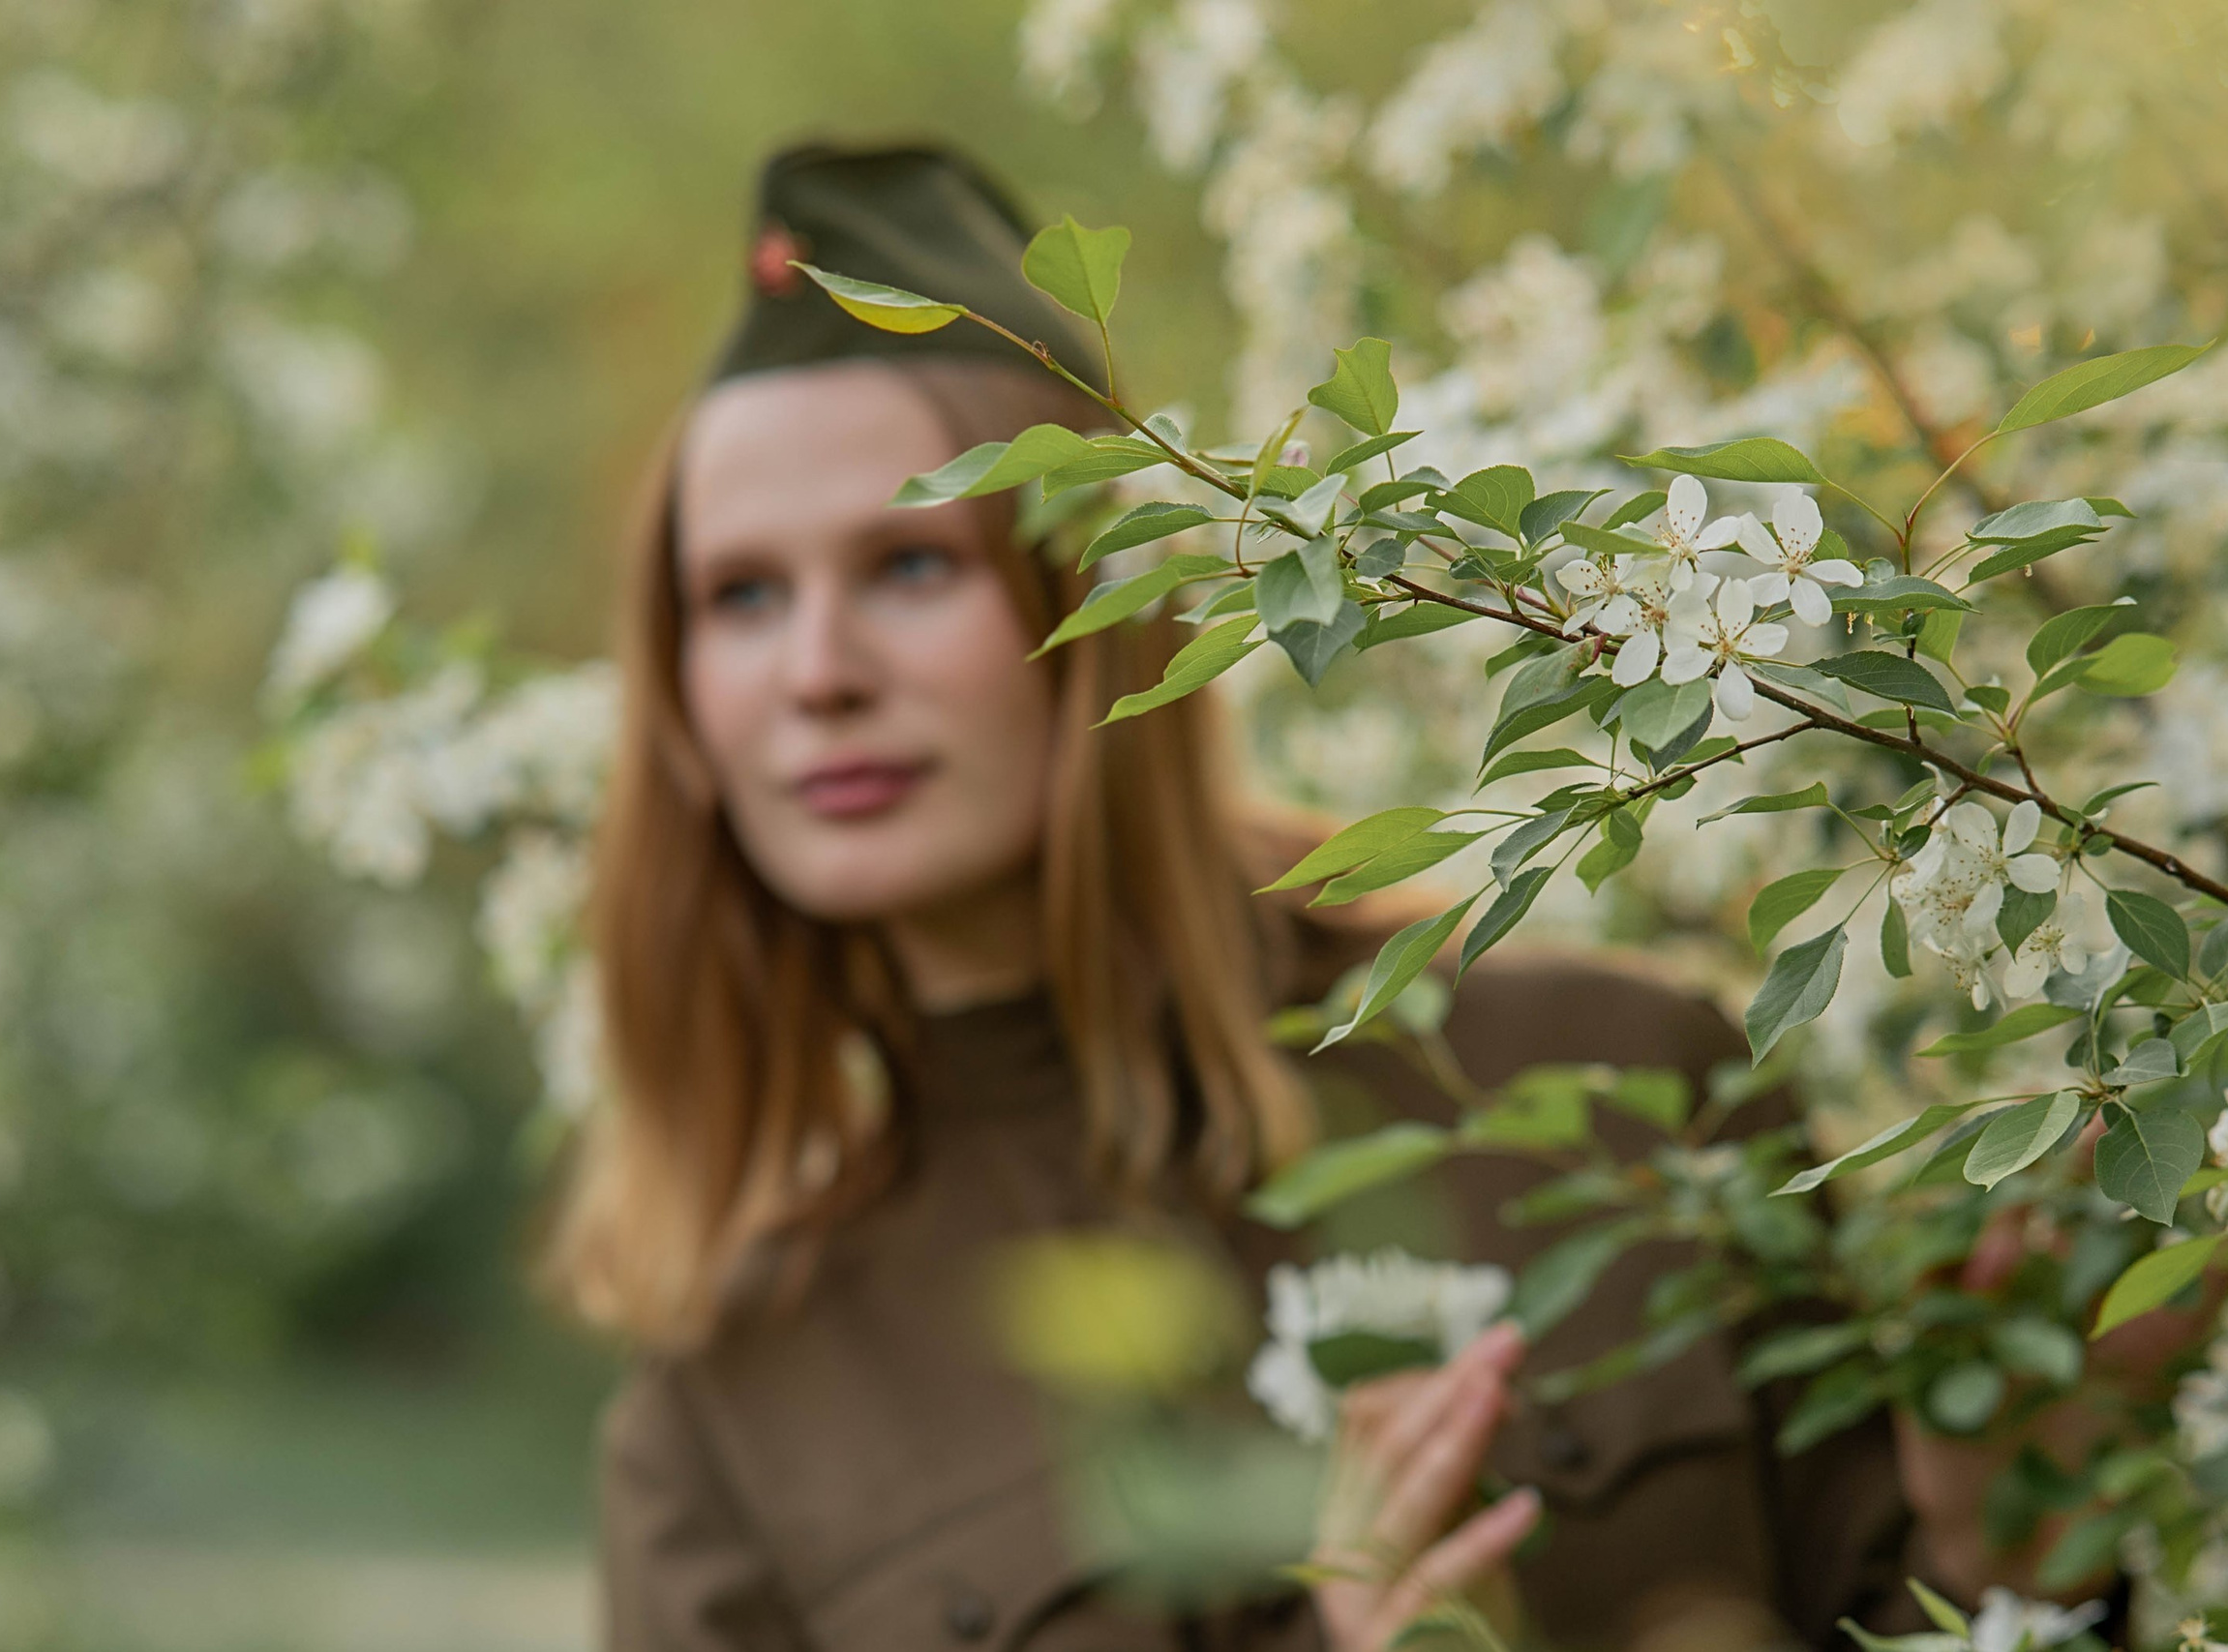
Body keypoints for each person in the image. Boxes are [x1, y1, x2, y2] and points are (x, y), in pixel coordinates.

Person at [555, 142, 1952, 1652]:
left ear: (1096, 605)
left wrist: (2048, 1544)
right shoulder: (740, 1411)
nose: (816, 672)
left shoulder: (1617, 1088)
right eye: (742, 596)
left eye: (908, 564)